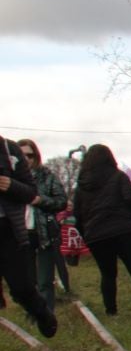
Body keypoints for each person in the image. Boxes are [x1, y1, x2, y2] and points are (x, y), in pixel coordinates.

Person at [68, 144, 131, 316]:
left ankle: (111, 311)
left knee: (107, 274)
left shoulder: (82, 186)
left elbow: (77, 215)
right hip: (124, 230)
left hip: (96, 235)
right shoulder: (118, 177)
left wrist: (86, 233)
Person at [0, 138, 58, 336]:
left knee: (22, 288)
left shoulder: (9, 149)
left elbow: (30, 192)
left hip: (8, 230)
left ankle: (42, 314)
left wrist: (11, 185)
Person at [14, 139, 68, 312]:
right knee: (27, 281)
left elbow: (62, 201)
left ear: (35, 156)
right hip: (19, 233)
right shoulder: (10, 179)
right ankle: (34, 313)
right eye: (21, 155)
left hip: (44, 232)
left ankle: (47, 316)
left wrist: (40, 200)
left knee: (45, 279)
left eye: (29, 155)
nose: (26, 159)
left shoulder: (47, 175)